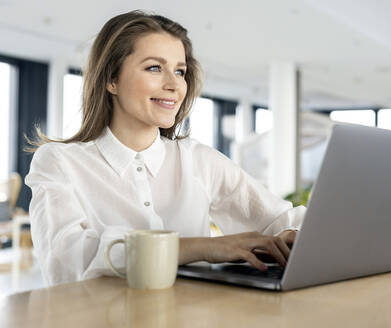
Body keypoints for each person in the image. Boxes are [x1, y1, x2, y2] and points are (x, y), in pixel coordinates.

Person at [25, 10, 306, 286]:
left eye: (180, 71)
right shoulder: (58, 162)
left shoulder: (198, 159)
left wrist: (298, 233)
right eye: (154, 68)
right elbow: (66, 259)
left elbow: (279, 220)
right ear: (112, 79)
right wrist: (203, 248)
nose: (174, 85)